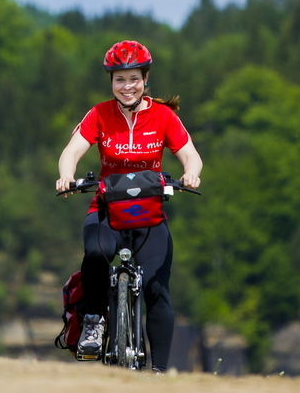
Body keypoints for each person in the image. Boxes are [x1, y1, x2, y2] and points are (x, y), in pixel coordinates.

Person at [55, 40, 203, 373]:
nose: (127, 86)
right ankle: (93, 322)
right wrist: (66, 176)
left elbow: (190, 154)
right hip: (108, 209)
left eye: (133, 78)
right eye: (120, 79)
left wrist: (191, 173)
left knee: (156, 289)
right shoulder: (99, 114)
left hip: (150, 215)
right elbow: (72, 151)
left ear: (145, 79)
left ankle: (160, 373)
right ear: (111, 82)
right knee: (94, 255)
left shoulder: (164, 116)